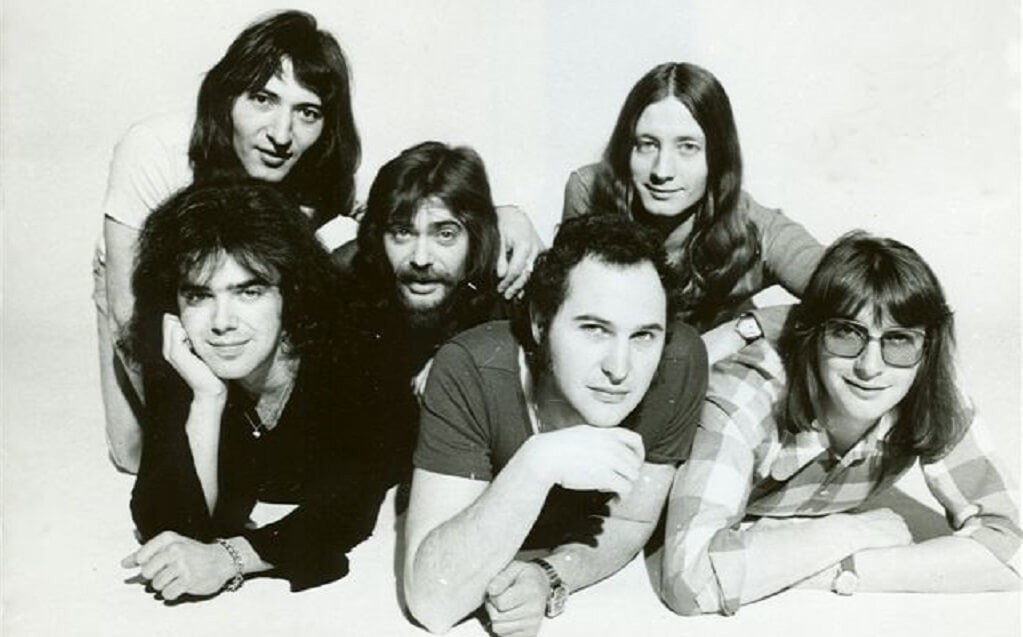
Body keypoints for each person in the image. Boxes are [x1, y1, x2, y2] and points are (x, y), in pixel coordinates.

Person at [96, 10, 540, 472]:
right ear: (226, 96)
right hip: (150, 288)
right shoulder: (157, 149)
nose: (281, 134)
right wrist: (185, 432)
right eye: (263, 99)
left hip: (247, 294)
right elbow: (129, 317)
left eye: (306, 112)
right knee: (137, 456)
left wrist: (503, 216)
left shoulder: (324, 167)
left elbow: (420, 202)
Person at [660, 231, 1020, 616]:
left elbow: (1012, 550)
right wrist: (849, 532)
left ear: (927, 348)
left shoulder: (928, 388)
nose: (870, 367)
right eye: (847, 333)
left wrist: (845, 569)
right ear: (813, 335)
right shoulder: (745, 396)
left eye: (898, 340)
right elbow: (691, 583)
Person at [403, 215, 708, 635]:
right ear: (540, 323)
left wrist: (548, 576)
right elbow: (432, 603)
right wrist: (539, 462)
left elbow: (630, 521)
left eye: (643, 336)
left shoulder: (679, 360)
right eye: (595, 329)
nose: (620, 369)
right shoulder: (470, 367)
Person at [120, 181, 398, 598]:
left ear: (290, 294)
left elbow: (349, 507)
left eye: (249, 292)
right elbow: (170, 528)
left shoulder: (350, 356)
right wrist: (207, 399)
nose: (221, 323)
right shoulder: (186, 361)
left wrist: (229, 559)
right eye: (198, 296)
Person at [562, 62, 824, 352]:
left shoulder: (756, 228)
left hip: (716, 366)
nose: (662, 171)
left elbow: (858, 296)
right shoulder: (590, 192)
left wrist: (745, 329)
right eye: (647, 144)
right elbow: (568, 305)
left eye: (687, 147)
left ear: (718, 158)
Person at [334, 141, 509, 470]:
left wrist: (457, 357)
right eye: (402, 232)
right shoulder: (346, 285)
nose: (421, 258)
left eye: (445, 234)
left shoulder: (508, 294)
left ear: (476, 239)